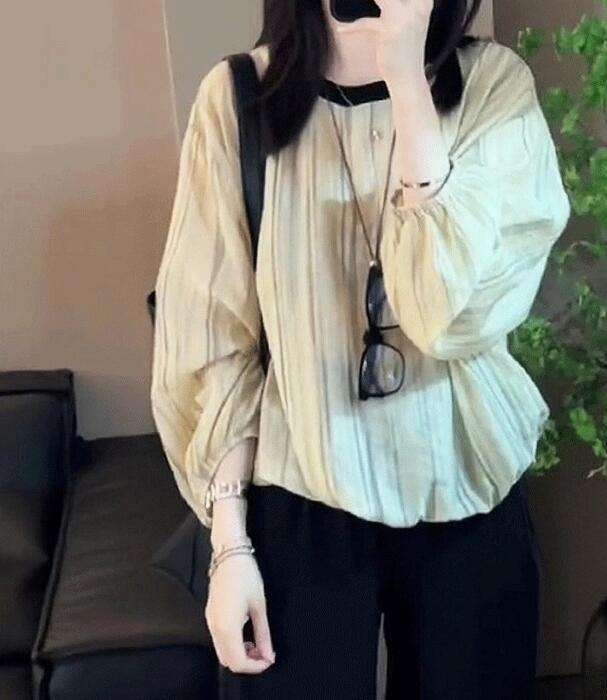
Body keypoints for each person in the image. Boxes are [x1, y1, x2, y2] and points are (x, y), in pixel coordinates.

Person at [150, 0, 571, 697]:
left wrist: (407, 84)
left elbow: (444, 318)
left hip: (464, 480)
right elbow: (213, 341)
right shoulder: (237, 101)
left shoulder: (494, 89)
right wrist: (229, 544)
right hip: (299, 489)